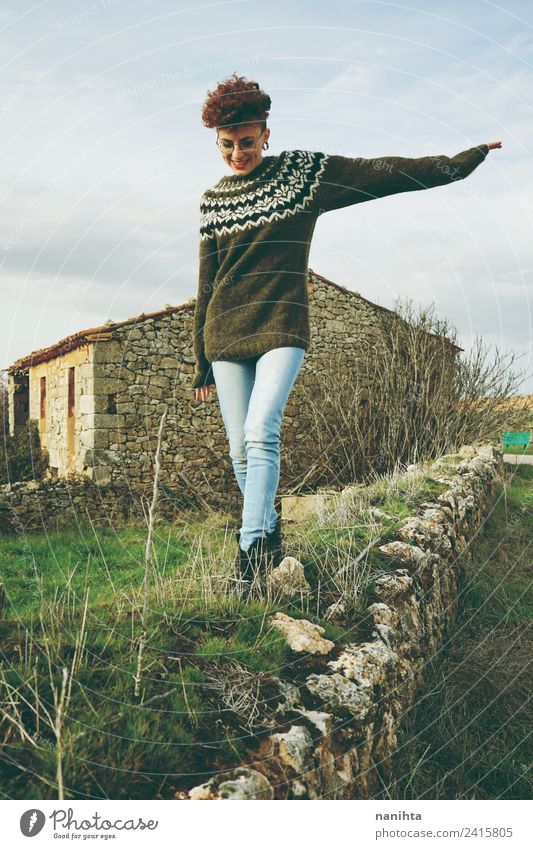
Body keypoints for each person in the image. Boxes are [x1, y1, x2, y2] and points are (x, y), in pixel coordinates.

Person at [191, 71, 502, 597]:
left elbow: (378, 173)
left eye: (247, 142)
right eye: (227, 145)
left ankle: (247, 558)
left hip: (282, 324)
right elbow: (207, 281)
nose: (238, 153)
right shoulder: (213, 201)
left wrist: (458, 163)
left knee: (262, 431)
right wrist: (199, 362)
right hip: (224, 332)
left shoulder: (302, 175)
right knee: (239, 451)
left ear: (266, 133)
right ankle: (269, 538)